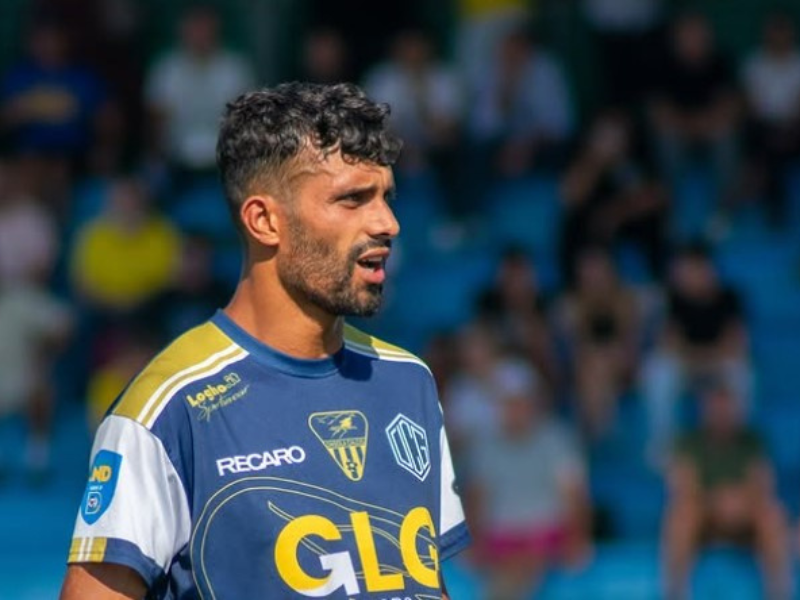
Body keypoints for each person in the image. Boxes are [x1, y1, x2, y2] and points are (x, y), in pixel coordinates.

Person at [60, 82, 469, 599]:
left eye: (386, 197)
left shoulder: (409, 380)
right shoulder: (168, 408)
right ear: (264, 220)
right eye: (353, 199)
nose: (388, 223)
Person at [466, 360, 591, 599]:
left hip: (545, 538)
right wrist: (473, 545)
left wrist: (577, 537)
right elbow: (476, 499)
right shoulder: (485, 445)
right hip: (501, 541)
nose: (515, 410)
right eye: (508, 403)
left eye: (520, 402)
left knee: (516, 572)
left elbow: (574, 495)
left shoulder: (556, 440)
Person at [662, 382, 790, 600]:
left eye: (726, 407)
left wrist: (739, 502)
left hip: (744, 515)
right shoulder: (689, 443)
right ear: (705, 410)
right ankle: (675, 593)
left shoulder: (752, 441)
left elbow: (763, 486)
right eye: (715, 407)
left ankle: (779, 593)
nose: (721, 413)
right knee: (682, 514)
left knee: (772, 514)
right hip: (705, 517)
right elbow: (683, 487)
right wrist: (718, 502)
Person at [641, 242, 751, 464]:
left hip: (716, 366)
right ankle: (664, 445)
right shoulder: (671, 299)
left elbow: (736, 345)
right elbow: (667, 345)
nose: (684, 276)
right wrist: (700, 357)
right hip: (687, 367)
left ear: (706, 269)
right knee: (658, 373)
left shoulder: (730, 297)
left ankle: (739, 441)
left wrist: (702, 357)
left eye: (690, 270)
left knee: (741, 373)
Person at [145, 4, 254, 177]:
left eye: (205, 26)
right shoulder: (166, 69)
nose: (200, 33)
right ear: (183, 29)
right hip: (176, 162)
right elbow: (157, 126)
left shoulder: (234, 68)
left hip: (225, 162)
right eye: (195, 26)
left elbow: (245, 122)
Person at [649, 11, 740, 210]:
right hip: (679, 129)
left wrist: (706, 124)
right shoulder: (661, 63)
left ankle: (726, 205)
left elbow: (730, 106)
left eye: (698, 33)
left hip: (711, 126)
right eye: (687, 34)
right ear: (675, 39)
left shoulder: (721, 60)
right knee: (665, 137)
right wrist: (688, 126)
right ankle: (667, 203)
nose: (693, 40)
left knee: (726, 134)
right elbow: (659, 111)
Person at [741, 11, 800, 227]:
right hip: (764, 127)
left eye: (783, 31)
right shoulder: (754, 64)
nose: (778, 37)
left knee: (780, 139)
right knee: (768, 143)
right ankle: (775, 207)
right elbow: (752, 105)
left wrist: (790, 124)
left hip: (795, 126)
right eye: (774, 32)